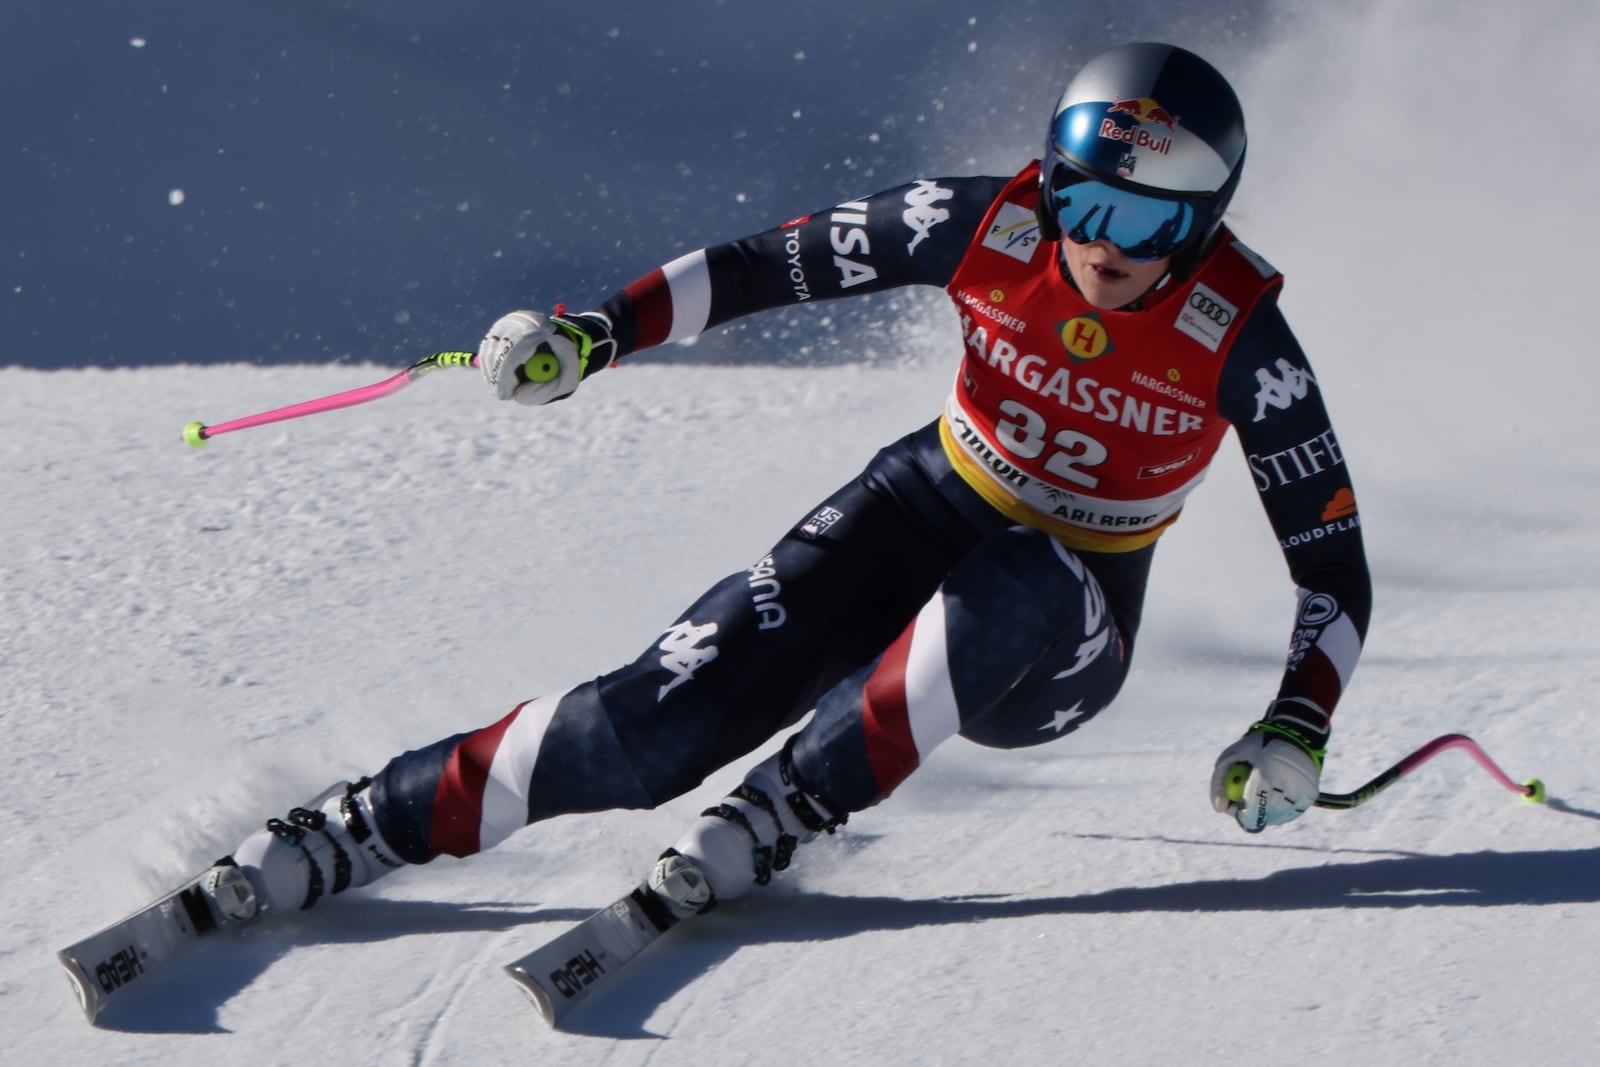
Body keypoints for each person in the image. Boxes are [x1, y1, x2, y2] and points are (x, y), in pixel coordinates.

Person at [201, 42, 1370, 926]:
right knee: (660, 719)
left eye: (1144, 220)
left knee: (1025, 567)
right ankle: (365, 824)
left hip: (1065, 633)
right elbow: (771, 265)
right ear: (1048, 181)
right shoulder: (985, 224)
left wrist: (1295, 725)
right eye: (1081, 200)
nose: (1101, 247)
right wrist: (597, 332)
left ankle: (782, 811)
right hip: (921, 505)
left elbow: (1331, 566)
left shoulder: (1241, 339)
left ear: (1205, 221)